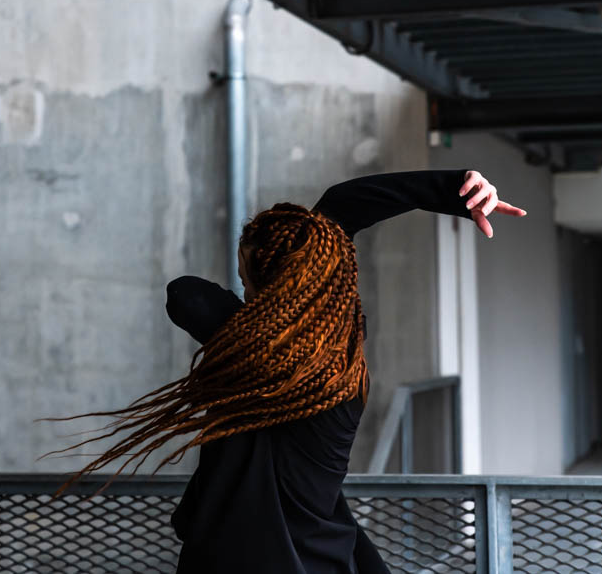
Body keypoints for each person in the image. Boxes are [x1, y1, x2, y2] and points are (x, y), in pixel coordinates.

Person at [48, 169, 525, 573]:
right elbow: (339, 208)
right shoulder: (340, 366)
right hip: (323, 558)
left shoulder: (240, 349)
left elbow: (186, 293)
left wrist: (452, 185)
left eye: (245, 280)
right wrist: (454, 185)